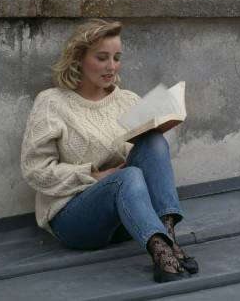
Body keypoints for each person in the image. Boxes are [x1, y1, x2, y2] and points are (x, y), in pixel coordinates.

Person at [20, 18, 198, 283]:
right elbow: (34, 170)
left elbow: (140, 164)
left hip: (129, 217)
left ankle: (168, 239)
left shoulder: (128, 100)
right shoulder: (51, 103)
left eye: (117, 57)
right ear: (79, 58)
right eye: (102, 58)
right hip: (76, 221)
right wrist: (93, 176)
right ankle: (162, 254)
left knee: (153, 142)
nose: (111, 66)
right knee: (127, 177)